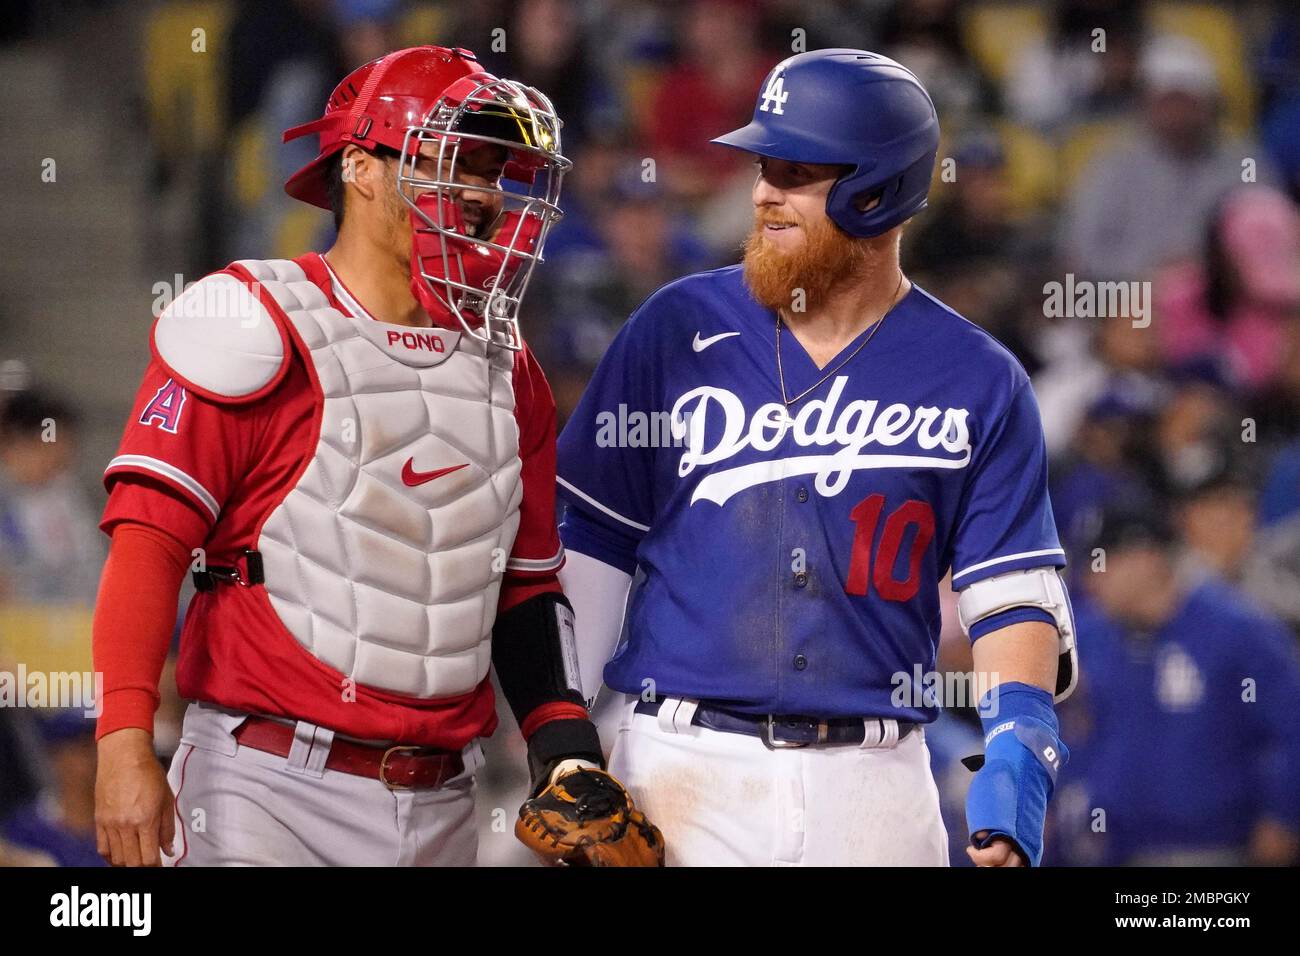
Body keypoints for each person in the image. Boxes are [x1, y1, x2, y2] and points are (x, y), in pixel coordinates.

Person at [92, 45, 660, 867]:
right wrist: (120, 743)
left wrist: (562, 745)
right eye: (459, 162)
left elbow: (524, 584)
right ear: (361, 167)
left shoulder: (510, 365)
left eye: (498, 171)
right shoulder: (254, 320)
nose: (484, 195)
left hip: (446, 800)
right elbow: (148, 544)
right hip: (264, 787)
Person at [555, 49, 1077, 867]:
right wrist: (565, 732)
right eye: (765, 167)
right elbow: (593, 538)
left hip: (878, 780)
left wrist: (1018, 745)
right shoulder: (676, 328)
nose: (763, 193)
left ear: (875, 193)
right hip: (679, 766)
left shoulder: (978, 377)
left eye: (796, 172)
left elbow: (1012, 593)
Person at [1057, 507, 1300, 866]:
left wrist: (1284, 817)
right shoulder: (1092, 639)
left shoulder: (1239, 631)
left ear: (1147, 557)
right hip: (1114, 849)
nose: (1091, 580)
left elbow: (1291, 729)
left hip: (1220, 849)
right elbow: (1078, 732)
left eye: (1102, 562)